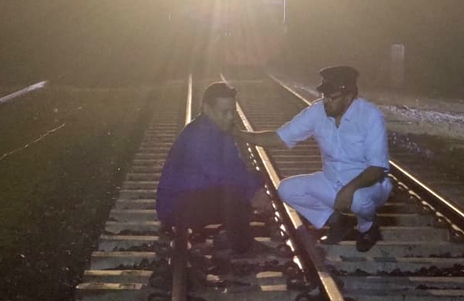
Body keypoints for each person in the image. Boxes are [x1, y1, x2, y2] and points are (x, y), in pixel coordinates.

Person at [234, 66, 392, 252]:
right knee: (287, 189)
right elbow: (279, 138)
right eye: (324, 96)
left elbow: (377, 168)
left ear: (348, 97)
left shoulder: (370, 116)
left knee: (358, 199)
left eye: (332, 97)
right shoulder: (317, 112)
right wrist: (239, 133)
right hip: (332, 182)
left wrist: (349, 189)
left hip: (369, 186)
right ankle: (337, 222)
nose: (326, 101)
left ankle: (368, 228)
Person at [156, 82, 270, 256]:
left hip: (196, 196)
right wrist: (251, 194)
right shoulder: (198, 134)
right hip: (177, 206)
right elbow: (217, 174)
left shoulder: (220, 130)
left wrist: (255, 188)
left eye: (233, 111)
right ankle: (243, 247)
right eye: (225, 112)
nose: (230, 117)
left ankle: (227, 232)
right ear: (207, 109)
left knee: (254, 177)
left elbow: (236, 165)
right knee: (233, 192)